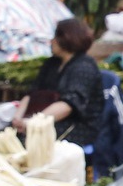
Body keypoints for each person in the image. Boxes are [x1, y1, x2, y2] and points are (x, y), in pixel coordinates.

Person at [17, 17, 100, 148]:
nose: (52, 41)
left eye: (55, 36)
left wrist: (35, 122)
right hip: (47, 119)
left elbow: (68, 105)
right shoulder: (52, 64)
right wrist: (19, 117)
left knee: (29, 143)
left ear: (67, 38)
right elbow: (32, 93)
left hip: (76, 126)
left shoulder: (84, 67)